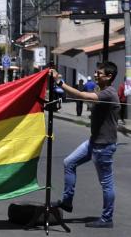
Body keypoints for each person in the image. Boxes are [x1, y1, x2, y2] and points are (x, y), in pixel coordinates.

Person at [51, 62, 120, 228]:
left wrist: (60, 82)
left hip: (104, 146)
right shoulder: (102, 91)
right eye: (95, 72)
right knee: (69, 162)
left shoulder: (109, 93)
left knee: (106, 183)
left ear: (109, 76)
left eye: (99, 73)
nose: (95, 75)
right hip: (93, 142)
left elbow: (83, 96)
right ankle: (67, 202)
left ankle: (106, 218)